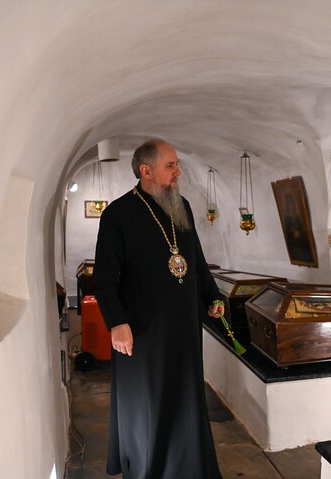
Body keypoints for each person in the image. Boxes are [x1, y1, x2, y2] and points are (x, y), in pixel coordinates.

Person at [93, 139, 225, 478]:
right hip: (143, 329)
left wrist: (212, 296)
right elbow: (104, 277)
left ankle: (189, 467)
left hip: (183, 325)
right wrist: (116, 322)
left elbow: (195, 261)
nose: (178, 171)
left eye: (177, 164)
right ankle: (148, 467)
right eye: (170, 165)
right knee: (148, 403)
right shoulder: (118, 214)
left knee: (184, 398)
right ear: (146, 170)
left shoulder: (181, 206)